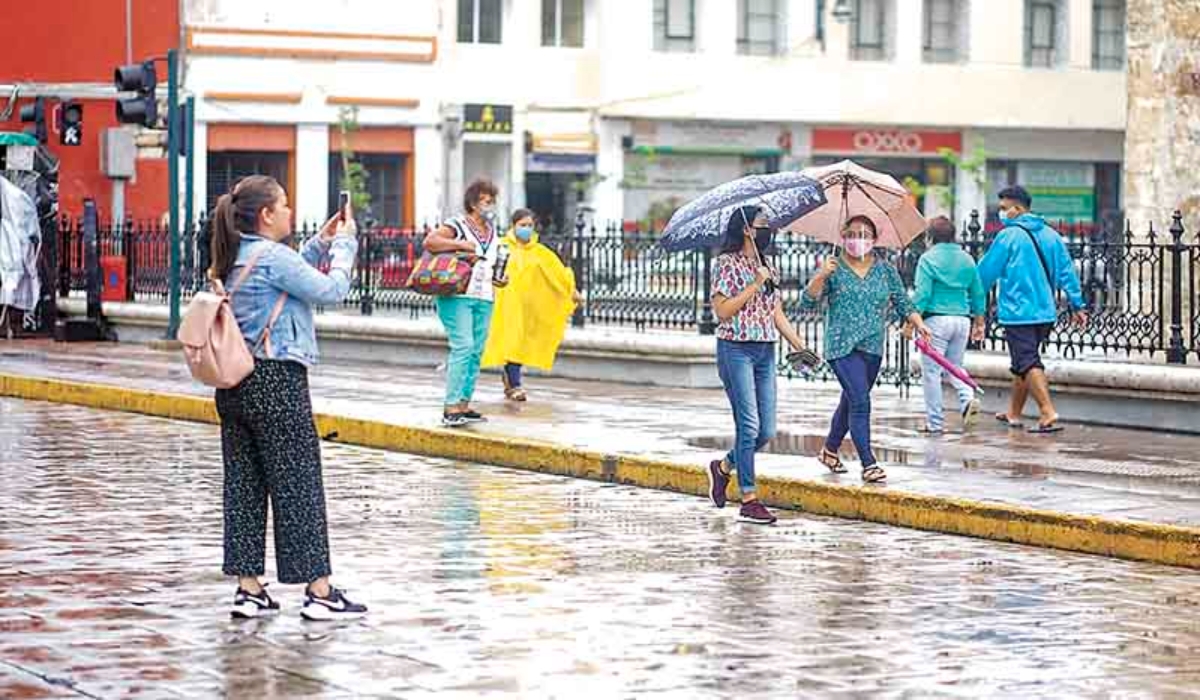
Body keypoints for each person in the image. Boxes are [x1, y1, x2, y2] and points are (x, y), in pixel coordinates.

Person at [209, 175, 367, 621]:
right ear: (265, 215)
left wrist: (320, 241)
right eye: (284, 206)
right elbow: (332, 290)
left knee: (244, 485)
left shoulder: (232, 253)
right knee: (298, 485)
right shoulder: (273, 257)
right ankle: (318, 591)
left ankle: (249, 588)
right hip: (277, 381)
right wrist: (345, 244)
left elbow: (290, 273)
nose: (289, 213)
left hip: (234, 385)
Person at [803, 215, 933, 484]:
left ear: (874, 239)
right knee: (861, 401)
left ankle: (829, 449)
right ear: (843, 237)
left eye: (864, 234)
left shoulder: (886, 270)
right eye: (852, 233)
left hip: (872, 346)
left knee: (851, 399)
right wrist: (820, 276)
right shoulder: (833, 267)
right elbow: (807, 302)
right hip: (841, 345)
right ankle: (868, 463)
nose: (857, 239)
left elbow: (902, 302)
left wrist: (918, 324)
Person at [706, 205, 810, 525]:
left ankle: (723, 468)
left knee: (765, 430)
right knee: (748, 427)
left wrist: (800, 345)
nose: (768, 230)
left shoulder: (770, 266)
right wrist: (754, 283)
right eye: (762, 224)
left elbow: (775, 312)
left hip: (765, 350)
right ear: (746, 229)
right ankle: (749, 498)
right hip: (735, 349)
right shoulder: (725, 264)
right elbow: (722, 311)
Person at [977, 185, 1087, 433]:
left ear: (1017, 209)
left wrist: (973, 301)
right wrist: (1077, 304)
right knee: (1022, 363)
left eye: (1004, 208)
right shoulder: (1051, 235)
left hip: (1018, 313)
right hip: (1045, 312)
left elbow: (985, 273)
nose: (1001, 213)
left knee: (1027, 360)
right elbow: (1068, 273)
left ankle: (1047, 411)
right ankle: (1014, 413)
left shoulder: (1008, 236)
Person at [424, 179, 507, 427]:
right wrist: (460, 244)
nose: (490, 205)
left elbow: (489, 262)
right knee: (463, 346)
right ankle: (450, 407)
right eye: (486, 200)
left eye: (493, 200)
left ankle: (463, 403)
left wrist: (500, 278)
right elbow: (431, 242)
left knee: (476, 351)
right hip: (457, 294)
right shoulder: (457, 224)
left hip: (484, 295)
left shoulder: (493, 231)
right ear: (473, 203)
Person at [481, 208, 581, 401]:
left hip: (528, 308)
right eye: (522, 225)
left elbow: (558, 275)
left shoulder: (540, 252)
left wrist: (572, 292)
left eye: (530, 225)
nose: (526, 229)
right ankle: (514, 384)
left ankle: (512, 381)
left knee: (519, 343)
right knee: (511, 341)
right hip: (504, 306)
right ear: (513, 226)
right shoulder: (501, 247)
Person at [911, 216, 986, 434]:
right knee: (955, 366)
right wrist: (979, 321)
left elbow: (922, 295)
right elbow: (978, 293)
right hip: (962, 320)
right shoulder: (967, 258)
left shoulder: (927, 259)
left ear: (930, 237)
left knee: (932, 373)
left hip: (936, 320)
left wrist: (911, 319)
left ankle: (934, 424)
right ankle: (966, 400)